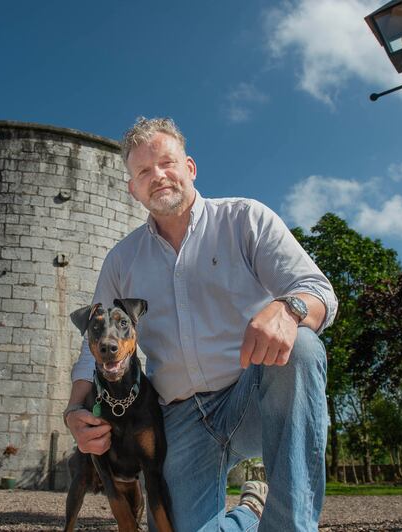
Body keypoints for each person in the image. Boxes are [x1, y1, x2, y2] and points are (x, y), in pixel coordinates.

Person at [64, 117, 337, 531]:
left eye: (166, 163)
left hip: (252, 395)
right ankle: (249, 513)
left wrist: (290, 309)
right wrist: (73, 410)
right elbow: (96, 342)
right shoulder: (122, 259)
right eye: (143, 172)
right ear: (132, 189)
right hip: (181, 417)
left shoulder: (245, 219)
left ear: (189, 167)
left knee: (301, 346)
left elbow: (317, 289)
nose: (158, 176)